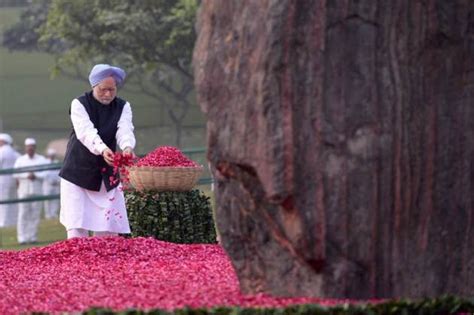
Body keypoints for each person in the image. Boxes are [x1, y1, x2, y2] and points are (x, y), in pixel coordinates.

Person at [59, 64, 136, 239]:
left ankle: (107, 265)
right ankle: (79, 264)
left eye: (112, 89)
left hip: (106, 172)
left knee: (108, 227)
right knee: (77, 224)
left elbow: (125, 130)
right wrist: (103, 149)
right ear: (94, 86)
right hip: (77, 171)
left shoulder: (123, 106)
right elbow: (86, 132)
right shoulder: (79, 104)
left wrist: (127, 147)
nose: (108, 94)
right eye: (103, 89)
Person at [13, 138, 48, 244]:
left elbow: (46, 173)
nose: (30, 148)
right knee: (23, 214)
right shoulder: (20, 160)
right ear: (25, 148)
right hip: (23, 191)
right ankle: (22, 238)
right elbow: (15, 174)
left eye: (32, 146)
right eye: (28, 146)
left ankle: (32, 237)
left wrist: (36, 175)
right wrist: (26, 175)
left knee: (35, 214)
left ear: (35, 147)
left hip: (37, 190)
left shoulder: (41, 159)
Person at [0, 133, 20, 227]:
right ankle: (12, 221)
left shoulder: (2, 151)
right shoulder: (15, 153)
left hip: (3, 181)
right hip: (13, 180)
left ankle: (3, 222)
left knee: (3, 202)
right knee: (13, 202)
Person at [42, 148, 60, 219]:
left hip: (56, 185)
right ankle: (48, 215)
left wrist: (58, 181)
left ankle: (54, 214)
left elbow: (59, 173)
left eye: (53, 155)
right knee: (47, 201)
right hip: (47, 184)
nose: (51, 156)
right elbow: (44, 174)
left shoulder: (56, 163)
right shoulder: (45, 163)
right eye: (50, 155)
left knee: (55, 200)